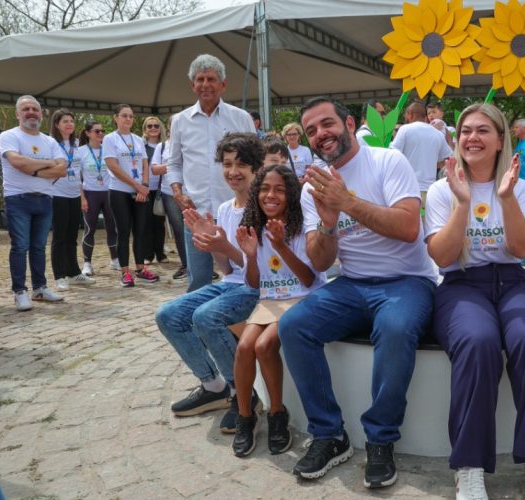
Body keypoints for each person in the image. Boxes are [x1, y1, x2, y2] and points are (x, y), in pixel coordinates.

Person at [277, 97, 436, 488]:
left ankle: (380, 439)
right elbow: (319, 261)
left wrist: (347, 202)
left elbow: (408, 228)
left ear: (349, 124)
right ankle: (329, 434)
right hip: (351, 284)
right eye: (311, 130)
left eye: (326, 124)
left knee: (395, 328)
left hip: (407, 280)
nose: (320, 134)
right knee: (294, 325)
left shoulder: (387, 161)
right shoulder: (312, 188)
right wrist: (329, 224)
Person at [425, 103, 525, 499]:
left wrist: (506, 199)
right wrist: (461, 202)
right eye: (465, 130)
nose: (472, 138)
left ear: (500, 139)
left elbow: (522, 249)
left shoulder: (520, 188)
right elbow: (442, 256)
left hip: (512, 281)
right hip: (462, 283)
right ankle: (469, 466)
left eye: (482, 130)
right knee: (478, 342)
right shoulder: (441, 190)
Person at [155, 133, 263, 433]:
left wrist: (224, 245)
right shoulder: (226, 209)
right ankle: (213, 385)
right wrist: (210, 243)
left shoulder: (263, 208)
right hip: (231, 285)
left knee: (206, 317)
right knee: (168, 314)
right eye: (227, 164)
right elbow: (227, 268)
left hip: (259, 287)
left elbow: (260, 271)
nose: (233, 171)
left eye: (241, 164)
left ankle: (243, 393)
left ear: (256, 168)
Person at [232, 163, 326, 457]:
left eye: (279, 190)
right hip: (270, 300)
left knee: (264, 345)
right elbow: (254, 284)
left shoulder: (300, 230)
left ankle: (277, 413)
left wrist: (282, 245)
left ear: (291, 195)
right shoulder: (256, 231)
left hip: (301, 298)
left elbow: (308, 279)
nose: (270, 195)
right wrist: (250, 256)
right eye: (264, 189)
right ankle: (245, 416)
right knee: (244, 347)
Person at [168, 54, 256, 292]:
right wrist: (177, 192)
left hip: (238, 212)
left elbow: (256, 161)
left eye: (211, 79)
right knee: (198, 279)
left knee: (245, 273)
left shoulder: (240, 118)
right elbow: (173, 163)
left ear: (223, 84)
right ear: (192, 85)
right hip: (196, 212)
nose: (205, 84)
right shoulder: (180, 121)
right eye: (200, 79)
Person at [0, 95, 67, 311]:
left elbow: (62, 169)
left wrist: (33, 169)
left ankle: (40, 288)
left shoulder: (50, 141)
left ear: (41, 114)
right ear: (17, 114)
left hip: (45, 199)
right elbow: (16, 161)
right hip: (18, 199)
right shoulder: (9, 136)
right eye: (26, 109)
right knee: (20, 247)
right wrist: (48, 164)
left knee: (38, 247)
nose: (31, 112)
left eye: (35, 109)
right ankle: (20, 291)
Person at [103, 104, 159, 287]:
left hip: (140, 190)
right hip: (119, 190)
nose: (128, 119)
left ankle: (141, 269)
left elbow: (145, 164)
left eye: (131, 116)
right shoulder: (110, 139)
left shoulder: (137, 139)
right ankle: (125, 272)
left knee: (141, 231)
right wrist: (136, 186)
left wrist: (144, 186)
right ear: (116, 118)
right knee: (123, 232)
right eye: (124, 115)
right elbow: (113, 166)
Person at [49, 109, 95, 290]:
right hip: (57, 194)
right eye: (65, 121)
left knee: (72, 235)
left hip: (74, 194)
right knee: (59, 237)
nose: (69, 124)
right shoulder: (51, 144)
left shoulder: (77, 144)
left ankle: (74, 273)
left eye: (71, 121)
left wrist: (82, 196)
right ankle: (59, 276)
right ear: (56, 125)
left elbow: (80, 173)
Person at [77, 121, 119, 275]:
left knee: (112, 227)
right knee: (90, 229)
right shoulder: (80, 152)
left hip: (109, 193)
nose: (101, 133)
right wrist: (82, 198)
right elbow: (77, 178)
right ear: (88, 133)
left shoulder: (108, 149)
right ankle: (87, 263)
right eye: (97, 131)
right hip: (90, 194)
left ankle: (115, 259)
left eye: (102, 131)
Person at [391, 101, 453, 203]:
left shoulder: (404, 129)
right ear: (425, 116)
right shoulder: (437, 134)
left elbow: (393, 155)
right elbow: (449, 158)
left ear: (410, 114)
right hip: (431, 191)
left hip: (407, 189)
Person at [151, 115, 189, 280]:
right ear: (169, 127)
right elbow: (154, 169)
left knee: (196, 229)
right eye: (174, 124)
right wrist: (173, 165)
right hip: (169, 193)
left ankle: (201, 266)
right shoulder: (162, 146)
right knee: (179, 231)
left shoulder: (191, 144)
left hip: (192, 193)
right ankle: (186, 265)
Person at [142, 116, 168, 266]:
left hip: (160, 189)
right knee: (146, 222)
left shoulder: (165, 146)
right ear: (145, 129)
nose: (153, 128)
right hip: (144, 188)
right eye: (149, 126)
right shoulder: (141, 147)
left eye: (156, 126)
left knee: (159, 222)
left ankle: (160, 253)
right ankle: (147, 254)